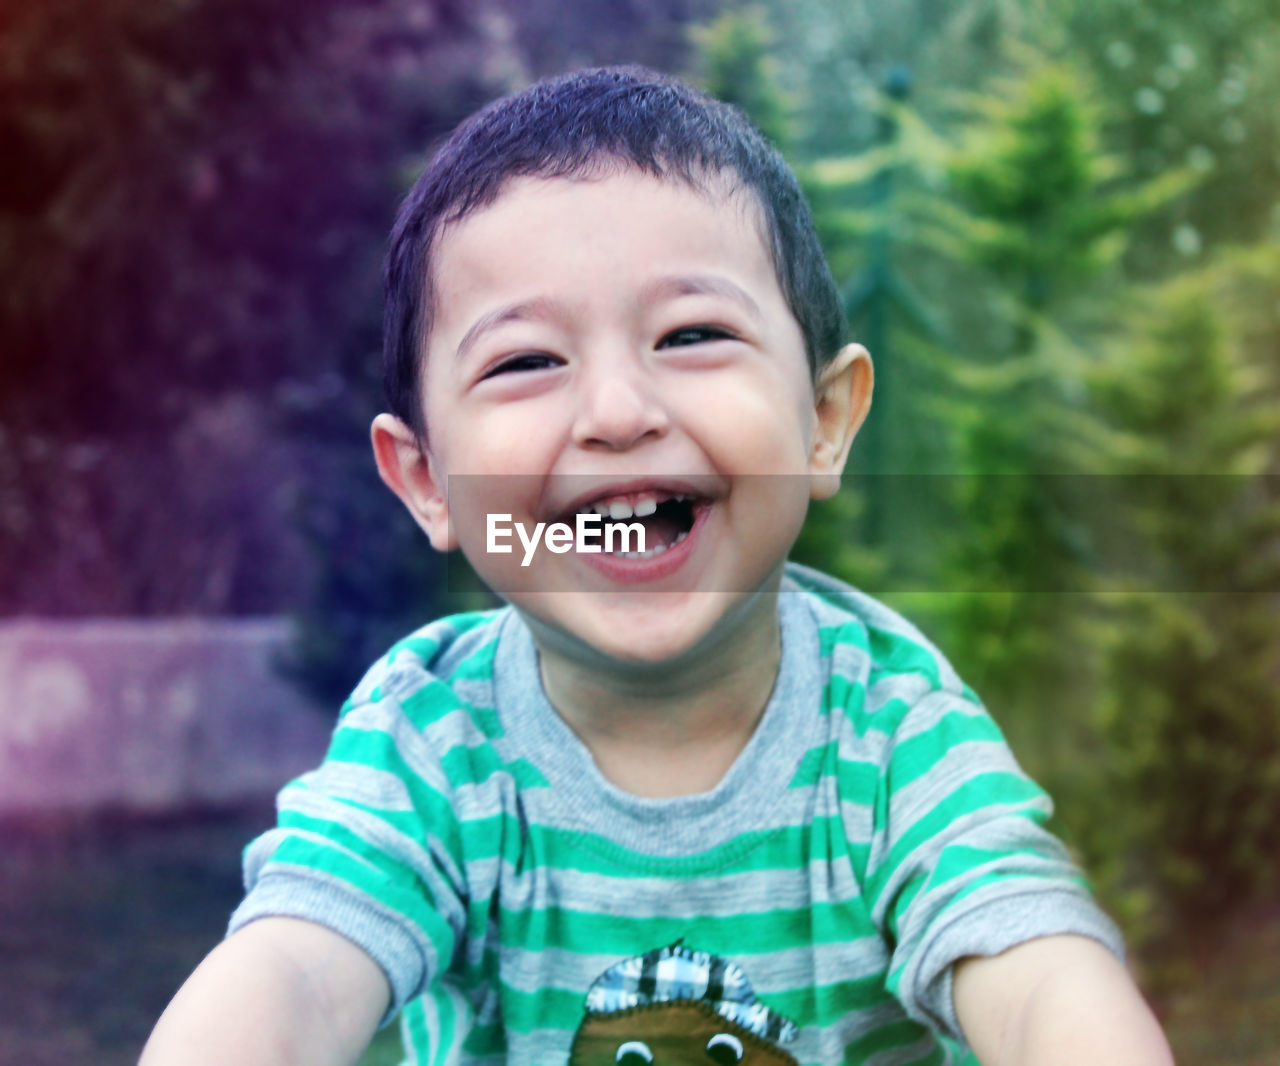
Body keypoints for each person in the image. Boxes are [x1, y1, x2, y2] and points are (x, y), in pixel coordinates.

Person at [140, 66, 1173, 1066]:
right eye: (525, 361)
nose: (619, 413)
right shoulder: (432, 741)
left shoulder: (889, 727)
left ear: (821, 421)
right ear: (424, 482)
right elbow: (292, 975)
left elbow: (1035, 970)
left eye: (690, 334)